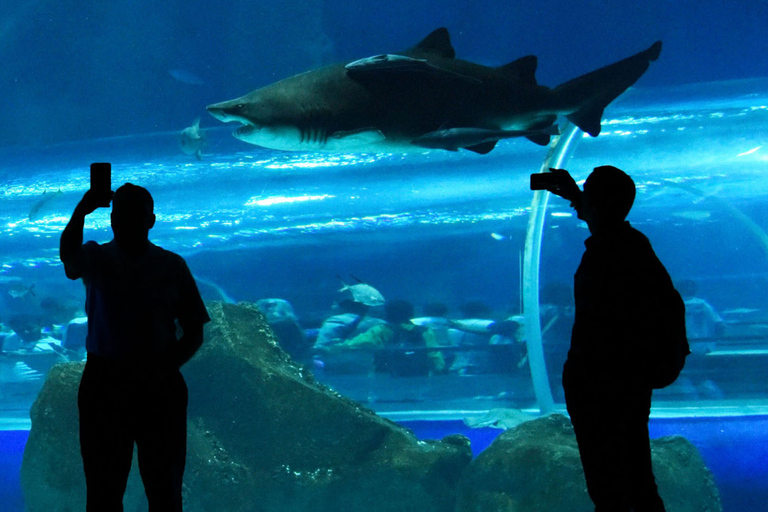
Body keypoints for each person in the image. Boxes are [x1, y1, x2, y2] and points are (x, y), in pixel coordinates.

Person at [60, 184, 210, 511]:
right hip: (116, 384)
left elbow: (195, 331)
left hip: (141, 385)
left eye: (133, 214)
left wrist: (161, 370)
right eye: (121, 215)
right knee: (109, 491)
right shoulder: (96, 257)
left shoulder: (171, 265)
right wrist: (82, 210)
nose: (126, 221)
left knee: (159, 490)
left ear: (151, 220)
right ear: (112, 220)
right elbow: (70, 261)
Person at [543, 165, 669, 511]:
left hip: (602, 382)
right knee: (637, 476)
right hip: (629, 379)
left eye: (587, 195)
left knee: (608, 484)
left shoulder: (612, 251)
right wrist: (576, 195)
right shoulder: (631, 243)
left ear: (597, 204)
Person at [322, 299, 445, 376]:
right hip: (419, 375)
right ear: (411, 313)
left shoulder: (381, 330)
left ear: (388, 313)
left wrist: (328, 349)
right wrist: (439, 370)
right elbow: (434, 354)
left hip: (387, 376)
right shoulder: (425, 331)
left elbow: (356, 344)